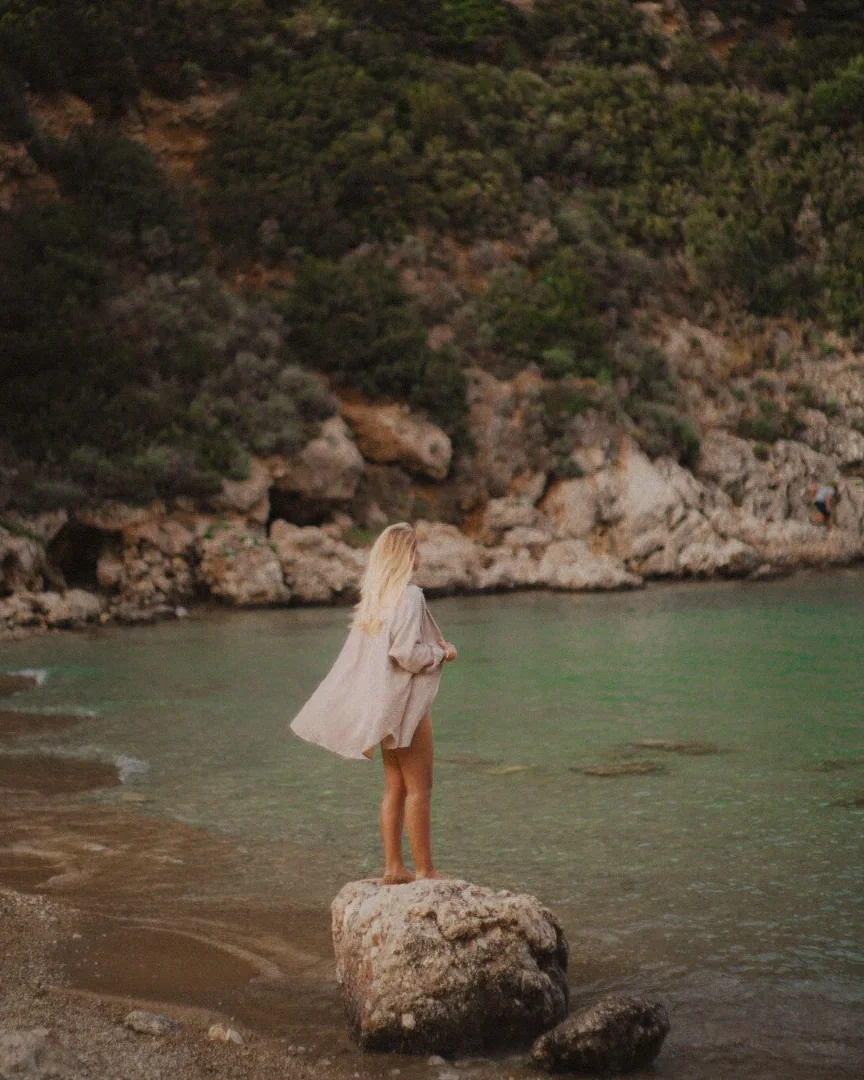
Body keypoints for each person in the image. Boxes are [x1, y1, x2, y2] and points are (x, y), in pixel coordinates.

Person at [289, 523, 457, 885]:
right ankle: (426, 870)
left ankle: (394, 867)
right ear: (404, 556)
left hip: (385, 709)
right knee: (420, 788)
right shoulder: (409, 596)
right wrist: (440, 653)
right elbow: (404, 654)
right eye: (415, 550)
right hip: (407, 707)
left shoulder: (376, 598)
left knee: (394, 787)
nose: (420, 557)